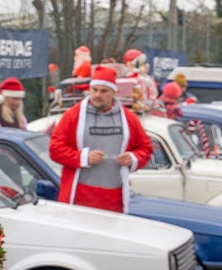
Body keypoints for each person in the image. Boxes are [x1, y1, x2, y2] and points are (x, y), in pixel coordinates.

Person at [49, 65, 153, 213]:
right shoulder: (73, 116)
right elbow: (55, 149)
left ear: (114, 92)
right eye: (94, 90)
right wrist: (83, 157)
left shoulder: (129, 118)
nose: (98, 95)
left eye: (104, 91)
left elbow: (146, 148)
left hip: (114, 201)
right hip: (79, 198)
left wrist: (133, 158)